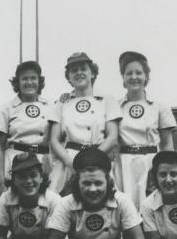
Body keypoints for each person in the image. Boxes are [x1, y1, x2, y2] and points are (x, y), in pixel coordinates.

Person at [48, 52, 122, 193]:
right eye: (74, 70)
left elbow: (112, 137)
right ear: (69, 77)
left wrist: (91, 160)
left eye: (83, 69)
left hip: (98, 159)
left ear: (92, 73)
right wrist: (71, 163)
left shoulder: (107, 100)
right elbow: (54, 140)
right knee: (56, 203)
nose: (79, 73)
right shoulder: (62, 102)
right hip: (67, 162)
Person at [114, 51, 176, 209]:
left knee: (151, 209)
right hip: (124, 165)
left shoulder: (159, 106)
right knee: (126, 210)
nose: (134, 77)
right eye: (129, 73)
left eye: (138, 72)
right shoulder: (115, 106)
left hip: (150, 163)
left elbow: (167, 144)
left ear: (146, 76)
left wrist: (165, 170)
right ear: (123, 77)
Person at [0, 61, 51, 199]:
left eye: (33, 78)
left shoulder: (51, 106)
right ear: (17, 82)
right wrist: (0, 181)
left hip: (42, 161)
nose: (29, 82)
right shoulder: (6, 109)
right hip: (15, 160)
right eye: (24, 78)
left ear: (39, 81)